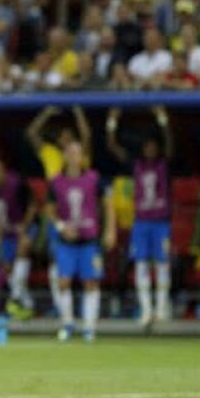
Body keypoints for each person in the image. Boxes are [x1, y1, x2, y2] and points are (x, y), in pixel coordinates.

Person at [106, 106, 173, 327]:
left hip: (161, 222)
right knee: (142, 264)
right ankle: (146, 310)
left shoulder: (164, 165)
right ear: (143, 149)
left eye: (154, 146)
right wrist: (112, 123)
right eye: (147, 147)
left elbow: (171, 145)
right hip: (142, 222)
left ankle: (162, 308)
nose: (151, 150)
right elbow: (113, 147)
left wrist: (162, 120)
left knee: (163, 264)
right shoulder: (136, 166)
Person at [48, 139, 116, 342]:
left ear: (83, 157)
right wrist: (61, 227)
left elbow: (108, 203)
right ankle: (67, 323)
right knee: (63, 281)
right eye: (70, 152)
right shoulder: (57, 182)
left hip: (89, 239)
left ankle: (89, 327)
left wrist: (110, 230)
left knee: (91, 282)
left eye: (78, 153)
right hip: (66, 242)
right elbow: (50, 210)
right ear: (65, 156)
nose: (74, 157)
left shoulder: (94, 179)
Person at [26, 105, 91, 316]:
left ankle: (81, 311)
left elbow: (87, 137)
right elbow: (31, 134)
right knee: (55, 260)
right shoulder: (51, 154)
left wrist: (78, 111)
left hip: (80, 217)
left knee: (84, 269)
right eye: (62, 137)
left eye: (70, 138)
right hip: (56, 215)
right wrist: (45, 113)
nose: (66, 141)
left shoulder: (80, 158)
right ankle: (61, 308)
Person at [0, 149, 38, 320]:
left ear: (0, 165)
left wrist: (24, 226)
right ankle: (26, 304)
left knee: (22, 249)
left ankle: (14, 299)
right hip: (7, 231)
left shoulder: (16, 182)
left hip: (26, 226)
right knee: (8, 269)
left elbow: (33, 204)